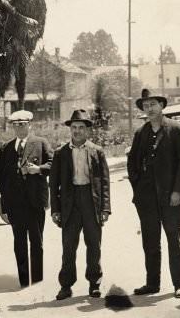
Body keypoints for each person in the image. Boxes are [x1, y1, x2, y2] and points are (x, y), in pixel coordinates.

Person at [126, 89, 180, 298]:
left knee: (174, 239)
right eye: (146, 106)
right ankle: (152, 283)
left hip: (171, 197)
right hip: (147, 200)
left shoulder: (177, 129)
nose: (150, 109)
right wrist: (138, 188)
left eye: (153, 104)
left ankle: (178, 284)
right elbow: (132, 163)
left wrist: (178, 191)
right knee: (150, 241)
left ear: (162, 106)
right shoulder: (141, 133)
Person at [51, 109, 111, 300]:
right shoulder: (61, 153)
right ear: (70, 129)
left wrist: (105, 208)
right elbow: (54, 184)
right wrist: (55, 209)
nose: (77, 131)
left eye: (81, 127)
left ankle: (94, 284)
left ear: (87, 130)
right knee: (68, 246)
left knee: (94, 244)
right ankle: (66, 286)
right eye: (74, 127)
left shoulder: (97, 151)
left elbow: (104, 182)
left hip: (91, 200)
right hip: (69, 202)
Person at [0, 110, 53, 288]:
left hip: (35, 203)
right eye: (16, 124)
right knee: (19, 241)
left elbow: (54, 164)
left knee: (36, 241)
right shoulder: (6, 148)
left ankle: (36, 276)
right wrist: (4, 206)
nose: (19, 127)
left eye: (23, 124)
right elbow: (0, 178)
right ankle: (23, 277)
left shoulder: (41, 143)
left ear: (30, 125)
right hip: (15, 205)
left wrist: (38, 169)